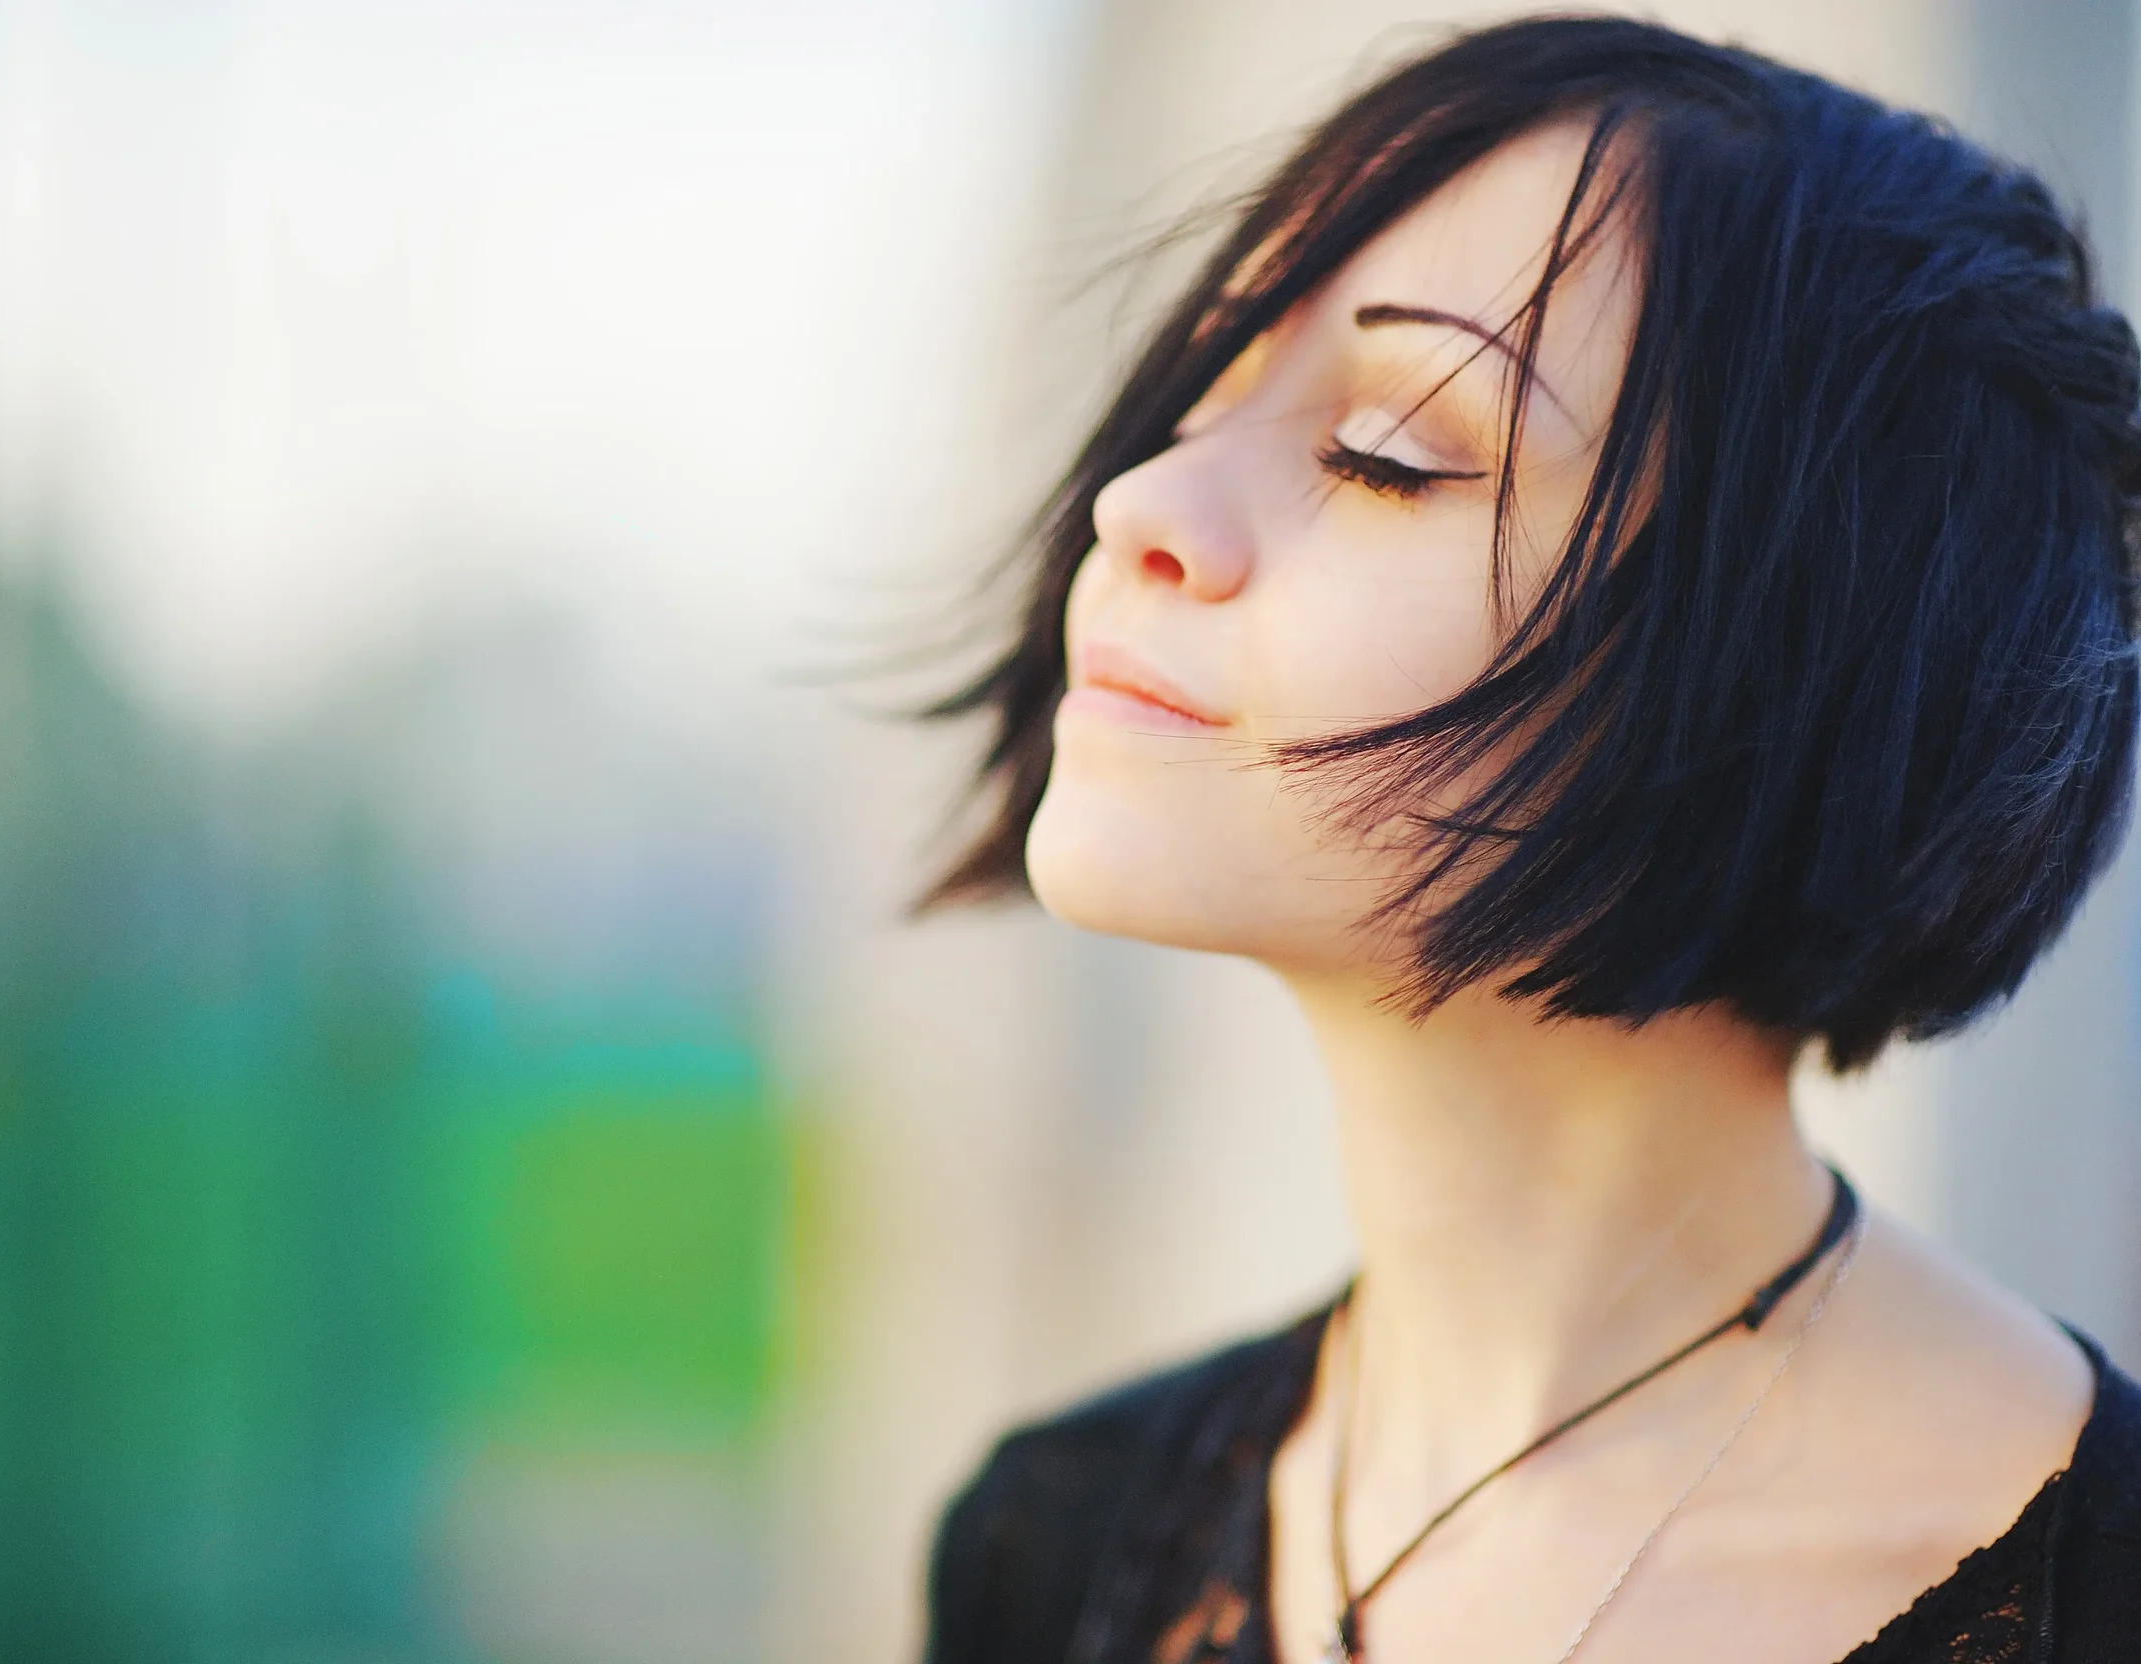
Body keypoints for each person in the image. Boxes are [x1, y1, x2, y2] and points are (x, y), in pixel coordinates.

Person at [915, 15, 2141, 1664]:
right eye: (1199, 396)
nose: (1144, 508)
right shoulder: (1046, 1548)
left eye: (1387, 451)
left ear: (1779, 650)